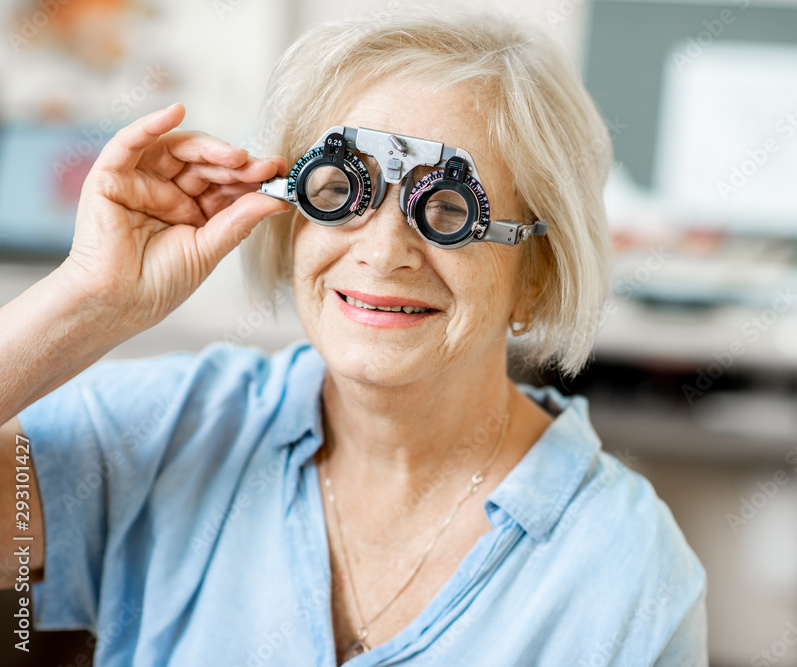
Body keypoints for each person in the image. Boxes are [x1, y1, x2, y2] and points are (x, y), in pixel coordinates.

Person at [0, 10, 707, 666]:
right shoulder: (174, 429)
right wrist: (88, 295)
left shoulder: (627, 572)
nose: (381, 250)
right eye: (343, 189)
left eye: (448, 207)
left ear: (536, 276)